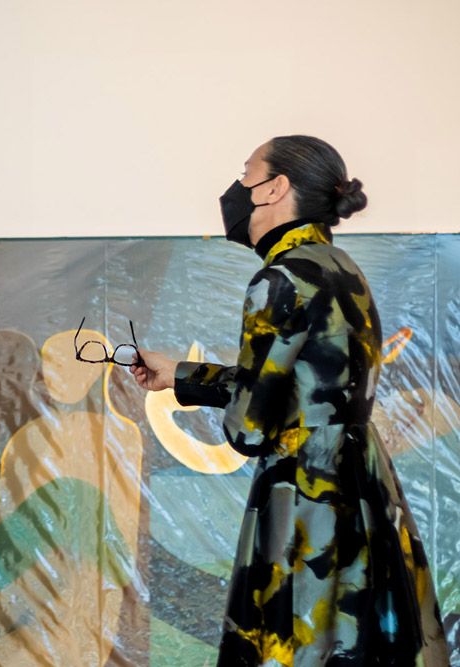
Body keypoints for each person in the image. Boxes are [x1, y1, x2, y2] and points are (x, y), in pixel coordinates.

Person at [130, 136, 448, 666]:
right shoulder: (342, 269)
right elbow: (305, 387)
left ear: (275, 188)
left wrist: (215, 399)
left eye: (246, 173)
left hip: (304, 500)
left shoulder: (280, 278)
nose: (237, 188)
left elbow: (249, 429)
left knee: (297, 647)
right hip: (364, 488)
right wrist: (181, 375)